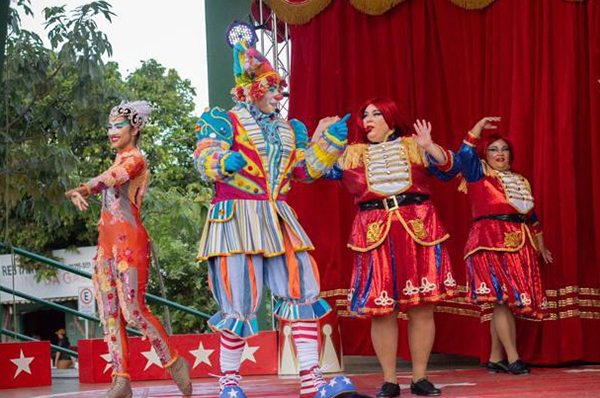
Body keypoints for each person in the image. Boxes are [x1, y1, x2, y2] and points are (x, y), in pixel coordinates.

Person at [193, 40, 356, 398]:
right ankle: (230, 383)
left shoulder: (288, 128)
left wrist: (328, 144)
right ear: (251, 89)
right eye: (271, 87)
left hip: (277, 215)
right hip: (236, 217)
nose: (278, 95)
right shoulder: (223, 120)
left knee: (301, 289)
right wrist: (221, 163)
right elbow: (203, 157)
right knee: (238, 298)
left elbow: (303, 171)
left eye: (280, 89)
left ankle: (312, 381)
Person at [325, 97, 460, 397]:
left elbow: (451, 170)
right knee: (381, 311)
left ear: (390, 118)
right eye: (365, 115)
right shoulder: (352, 155)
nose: (368, 119)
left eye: (376, 113)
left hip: (418, 228)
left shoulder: (415, 145)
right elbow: (314, 170)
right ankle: (389, 380)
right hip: (374, 232)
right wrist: (322, 139)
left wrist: (430, 147)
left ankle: (420, 378)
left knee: (422, 309)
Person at [65, 101, 192, 398]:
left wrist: (84, 188)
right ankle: (121, 379)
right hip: (106, 246)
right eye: (109, 126)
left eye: (119, 125)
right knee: (109, 314)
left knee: (133, 311)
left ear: (135, 129)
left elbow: (113, 178)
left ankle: (174, 361)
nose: (112, 131)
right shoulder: (117, 160)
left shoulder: (135, 160)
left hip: (129, 244)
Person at [456, 116, 552, 375]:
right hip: (488, 242)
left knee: (504, 302)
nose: (500, 154)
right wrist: (476, 129)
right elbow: (464, 154)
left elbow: (531, 216)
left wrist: (540, 245)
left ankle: (495, 357)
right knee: (501, 301)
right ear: (484, 155)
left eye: (504, 149)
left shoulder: (521, 181)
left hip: (519, 242)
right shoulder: (478, 175)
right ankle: (513, 358)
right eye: (493, 149)